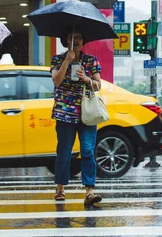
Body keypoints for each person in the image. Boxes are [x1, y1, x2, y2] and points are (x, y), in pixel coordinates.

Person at [50, 27, 103, 206]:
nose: (76, 40)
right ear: (66, 40)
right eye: (72, 37)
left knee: (87, 151)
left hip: (86, 113)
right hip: (64, 113)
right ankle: (60, 188)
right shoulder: (57, 59)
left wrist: (86, 78)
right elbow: (56, 81)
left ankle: (89, 191)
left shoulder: (91, 61)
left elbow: (98, 85)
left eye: (79, 37)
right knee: (64, 152)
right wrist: (67, 61)